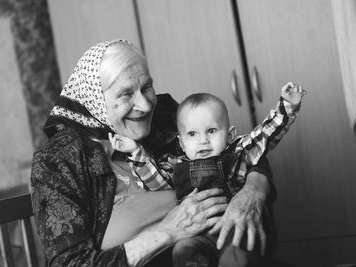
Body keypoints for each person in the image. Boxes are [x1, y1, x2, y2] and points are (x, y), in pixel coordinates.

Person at [30, 39, 276, 267]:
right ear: (95, 100)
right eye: (126, 94)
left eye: (146, 86)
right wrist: (168, 231)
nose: (146, 104)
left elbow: (240, 153)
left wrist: (252, 194)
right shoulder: (59, 163)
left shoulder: (165, 117)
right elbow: (70, 263)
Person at [109, 84, 305, 266]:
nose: (203, 140)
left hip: (234, 227)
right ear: (182, 143)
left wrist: (287, 107)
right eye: (192, 134)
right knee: (182, 250)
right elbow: (155, 181)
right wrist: (135, 151)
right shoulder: (176, 165)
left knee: (237, 249)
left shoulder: (238, 153)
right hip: (198, 235)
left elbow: (265, 135)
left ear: (229, 135)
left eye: (211, 131)